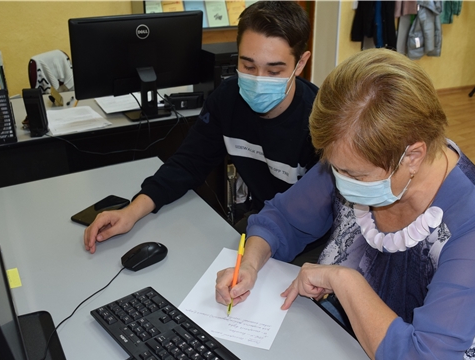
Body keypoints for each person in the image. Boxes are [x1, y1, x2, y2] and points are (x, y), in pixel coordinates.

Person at [215, 49, 475, 359]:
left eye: (355, 174)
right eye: (334, 166)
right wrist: (250, 263)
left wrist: (343, 279)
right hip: (343, 338)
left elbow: (426, 354)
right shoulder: (354, 157)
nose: (340, 180)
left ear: (414, 156)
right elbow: (282, 219)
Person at [84, 1, 319, 257]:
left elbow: (323, 213)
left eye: (273, 71)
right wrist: (131, 211)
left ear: (301, 63)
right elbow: (189, 163)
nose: (258, 81)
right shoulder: (227, 100)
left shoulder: (320, 120)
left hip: (311, 239)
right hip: (263, 226)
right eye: (248, 67)